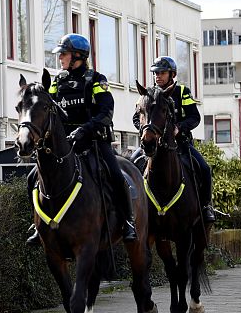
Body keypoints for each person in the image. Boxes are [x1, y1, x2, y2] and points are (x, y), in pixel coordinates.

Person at [25, 33, 137, 246]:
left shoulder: (96, 80)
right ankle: (37, 224)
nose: (60, 58)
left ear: (77, 56)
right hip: (65, 145)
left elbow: (106, 113)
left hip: (94, 141)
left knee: (116, 175)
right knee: (32, 177)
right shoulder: (58, 81)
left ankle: (128, 221)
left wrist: (85, 129)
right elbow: (50, 109)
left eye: (64, 54)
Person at [131, 56, 216, 223]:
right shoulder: (148, 94)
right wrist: (146, 130)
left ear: (172, 74)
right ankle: (131, 211)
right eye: (156, 73)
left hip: (180, 144)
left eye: (162, 73)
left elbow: (194, 117)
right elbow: (136, 118)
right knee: (132, 165)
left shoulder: (182, 91)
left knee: (205, 169)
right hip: (153, 144)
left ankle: (206, 207)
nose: (158, 76)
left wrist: (179, 128)